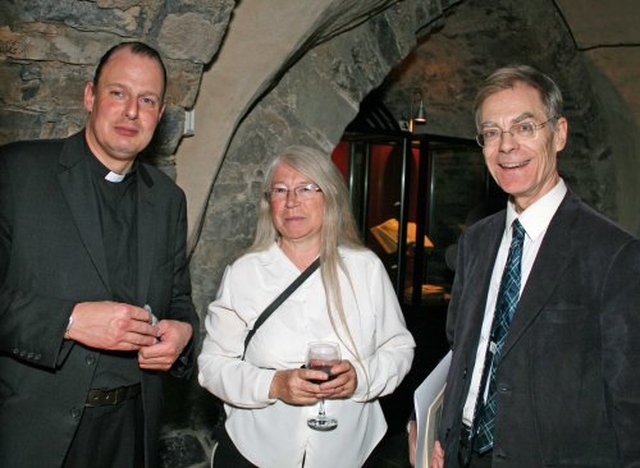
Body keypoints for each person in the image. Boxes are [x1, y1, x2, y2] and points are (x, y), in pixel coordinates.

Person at [409, 65, 640, 467]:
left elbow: (631, 403)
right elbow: (463, 353)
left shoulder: (614, 255)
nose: (506, 146)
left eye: (525, 127)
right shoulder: (476, 242)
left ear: (560, 133)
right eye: (492, 133)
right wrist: (434, 429)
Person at [0, 41, 199, 468]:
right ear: (90, 96)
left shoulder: (168, 200)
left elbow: (180, 299)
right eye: (118, 93)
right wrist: (70, 321)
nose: (131, 111)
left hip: (133, 432)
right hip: (36, 433)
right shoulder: (18, 172)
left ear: (159, 114)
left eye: (147, 100)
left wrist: (182, 335)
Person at [198, 145, 415, 468]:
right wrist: (274, 384)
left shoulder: (364, 268)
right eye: (281, 190)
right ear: (268, 202)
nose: (292, 202)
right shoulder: (245, 272)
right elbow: (212, 366)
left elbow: (398, 347)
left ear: (330, 197)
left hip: (350, 453)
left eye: (305, 189)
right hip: (256, 452)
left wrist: (361, 378)